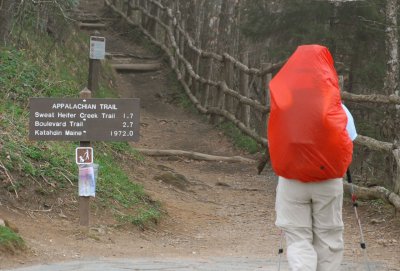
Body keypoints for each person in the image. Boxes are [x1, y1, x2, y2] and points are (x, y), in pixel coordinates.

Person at [263, 44, 357, 271]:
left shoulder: (286, 104)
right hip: (328, 180)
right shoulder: (338, 107)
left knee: (298, 238)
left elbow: (275, 135)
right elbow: (350, 139)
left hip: (291, 180)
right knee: (329, 238)